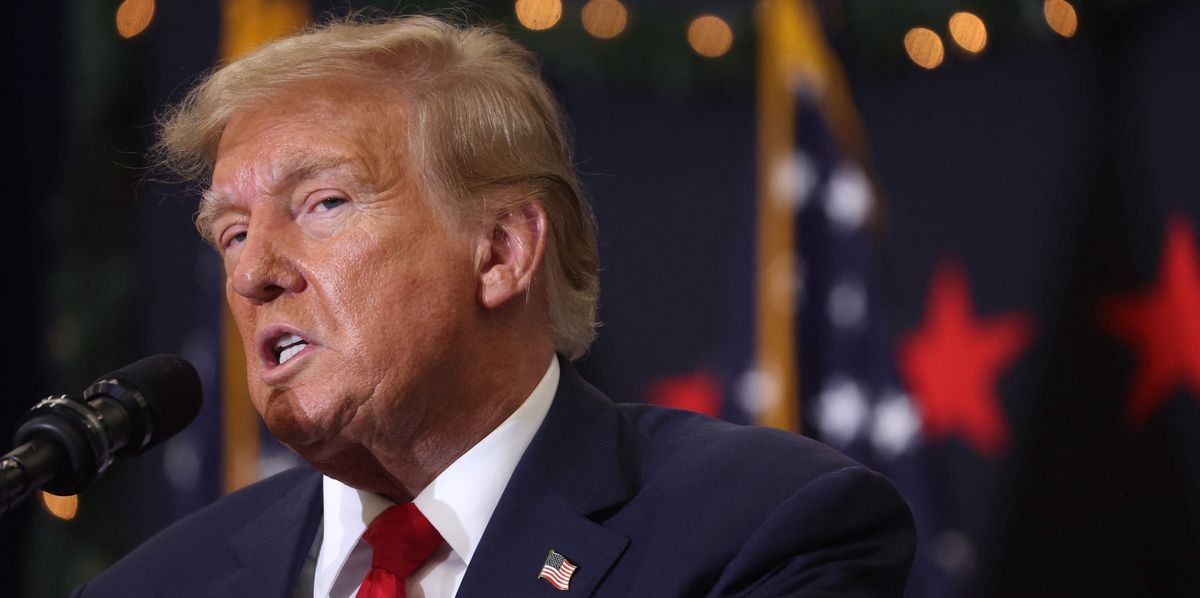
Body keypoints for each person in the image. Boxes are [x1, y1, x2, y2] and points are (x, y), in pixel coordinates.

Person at [74, 15, 915, 597]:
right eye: (228, 235)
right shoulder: (152, 588)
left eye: (323, 204)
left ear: (503, 252)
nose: (255, 271)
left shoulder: (762, 530)